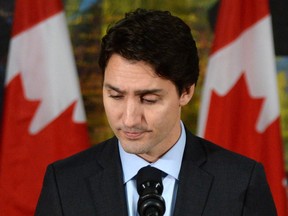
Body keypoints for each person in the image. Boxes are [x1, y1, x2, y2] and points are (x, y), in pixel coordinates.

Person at [35, 8, 277, 216]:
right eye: (116, 96)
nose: (129, 119)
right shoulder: (64, 183)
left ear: (186, 92)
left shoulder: (241, 182)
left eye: (149, 99)